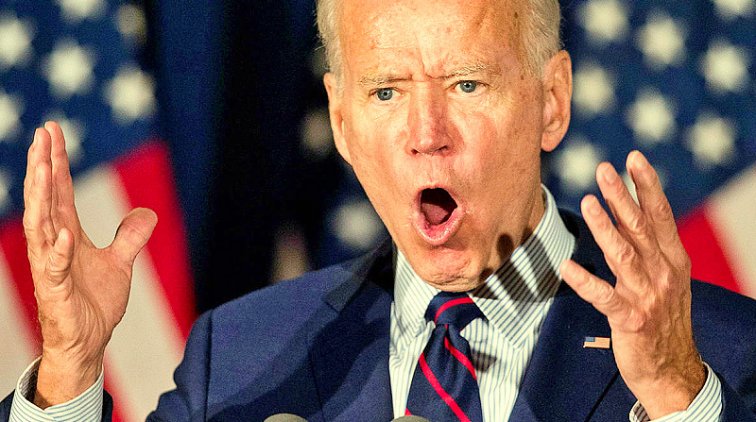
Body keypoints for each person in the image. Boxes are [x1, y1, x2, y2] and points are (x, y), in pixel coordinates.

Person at [2, 0, 756, 420]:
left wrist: (674, 397)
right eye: (386, 91)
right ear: (340, 122)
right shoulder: (235, 358)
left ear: (552, 102)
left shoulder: (720, 353)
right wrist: (70, 370)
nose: (426, 134)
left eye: (466, 84)